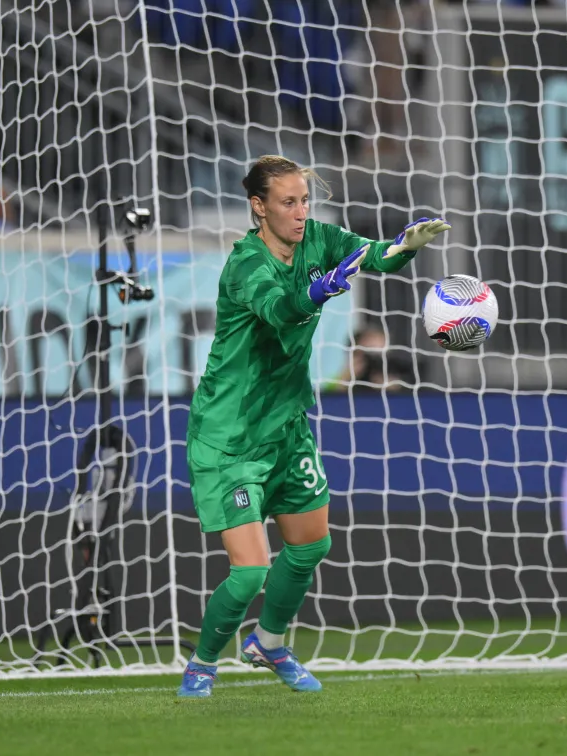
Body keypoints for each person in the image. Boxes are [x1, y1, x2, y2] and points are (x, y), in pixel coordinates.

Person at [177, 155, 449, 697]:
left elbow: (373, 255)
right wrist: (318, 292)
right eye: (288, 203)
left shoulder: (317, 238)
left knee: (310, 545)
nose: (301, 212)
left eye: (305, 200)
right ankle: (202, 666)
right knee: (250, 573)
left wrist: (404, 247)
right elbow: (281, 310)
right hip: (230, 436)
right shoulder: (245, 265)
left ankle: (269, 643)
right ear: (259, 207)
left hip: (287, 426)